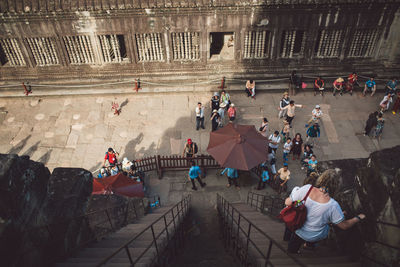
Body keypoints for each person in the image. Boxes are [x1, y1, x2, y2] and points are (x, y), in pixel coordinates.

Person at [283, 171, 366, 254]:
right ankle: (309, 245)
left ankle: (292, 251)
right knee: (324, 221)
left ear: (321, 179)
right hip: (316, 235)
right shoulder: (333, 205)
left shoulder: (307, 189)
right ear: (336, 186)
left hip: (299, 228)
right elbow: (344, 226)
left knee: (297, 236)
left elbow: (288, 203)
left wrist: (301, 202)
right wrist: (358, 217)